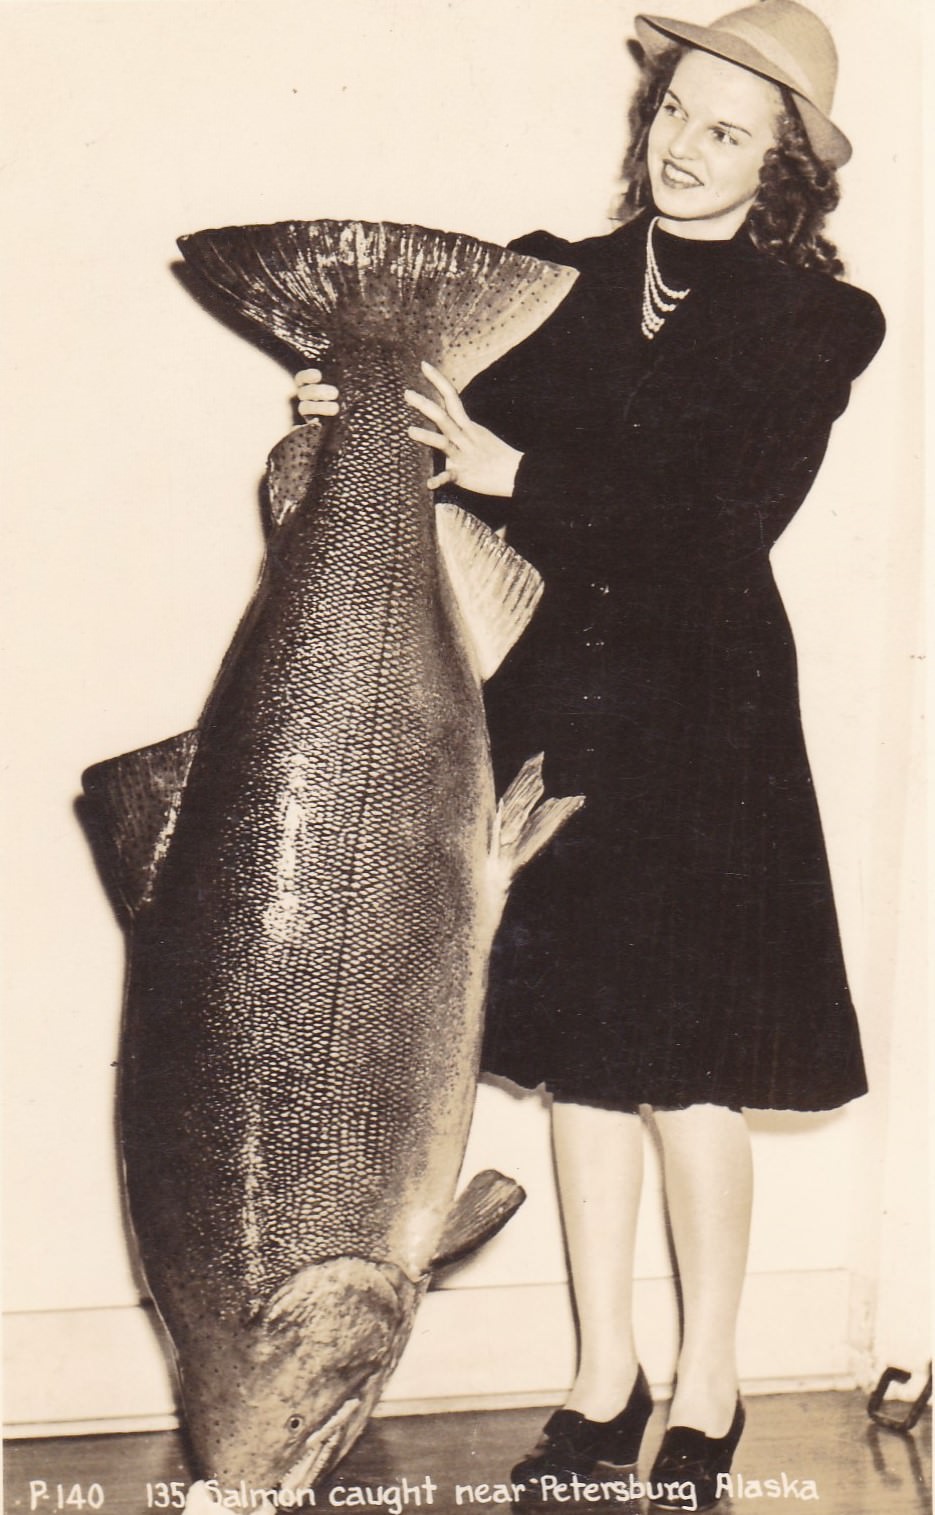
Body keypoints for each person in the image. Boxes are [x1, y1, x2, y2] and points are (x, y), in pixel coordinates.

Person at [295, 3, 884, 1507]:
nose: (686, 146)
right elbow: (435, 420)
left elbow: (718, 522)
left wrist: (516, 473)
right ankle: (601, 1380)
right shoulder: (543, 278)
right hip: (559, 708)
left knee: (691, 1075)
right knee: (584, 1078)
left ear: (788, 167)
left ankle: (709, 1391)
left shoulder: (821, 322)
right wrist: (354, 400)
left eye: (730, 131)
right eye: (676, 113)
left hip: (710, 728)